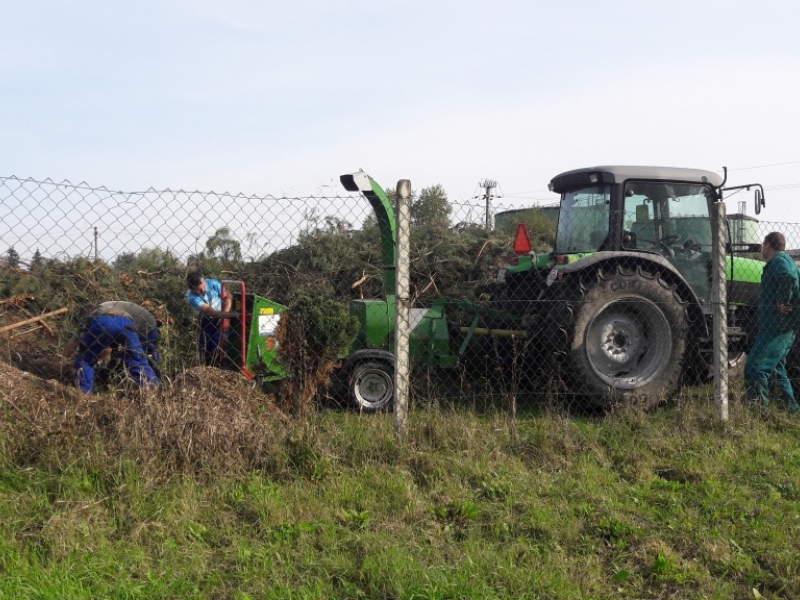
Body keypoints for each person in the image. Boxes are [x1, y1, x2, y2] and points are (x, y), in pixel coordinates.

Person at [744, 231, 800, 414]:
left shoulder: (780, 262)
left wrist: (782, 300)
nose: (761, 248)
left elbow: (787, 277)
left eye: (763, 244)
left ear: (768, 244)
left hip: (777, 327)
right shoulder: (783, 260)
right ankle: (789, 408)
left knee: (755, 367)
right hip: (780, 326)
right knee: (777, 368)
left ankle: (758, 412)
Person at [62, 301, 160, 394]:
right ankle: (153, 390)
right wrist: (99, 360)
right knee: (136, 359)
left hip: (104, 321)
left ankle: (83, 393)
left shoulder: (90, 315)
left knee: (85, 360)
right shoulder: (108, 307)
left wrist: (63, 358)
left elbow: (74, 341)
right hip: (127, 323)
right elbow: (108, 347)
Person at [185, 272, 237, 366]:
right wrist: (223, 315)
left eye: (203, 286)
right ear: (192, 289)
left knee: (225, 345)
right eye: (199, 290)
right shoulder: (191, 297)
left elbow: (227, 297)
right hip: (207, 320)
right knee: (208, 348)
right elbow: (211, 312)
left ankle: (225, 367)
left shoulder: (212, 283)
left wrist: (225, 314)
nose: (203, 290)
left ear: (204, 281)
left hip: (223, 313)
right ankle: (212, 368)